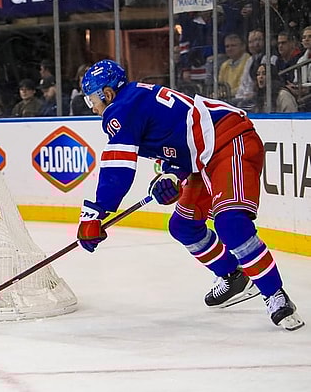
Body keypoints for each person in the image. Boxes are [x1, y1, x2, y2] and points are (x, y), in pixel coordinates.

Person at [76, 59, 304, 331]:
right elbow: (177, 143)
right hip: (204, 155)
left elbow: (118, 168)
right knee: (183, 225)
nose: (94, 108)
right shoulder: (135, 100)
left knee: (231, 223)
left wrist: (95, 212)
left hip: (228, 140)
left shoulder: (121, 109)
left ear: (108, 93)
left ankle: (275, 294)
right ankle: (233, 275)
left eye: (93, 100)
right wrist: (170, 176)